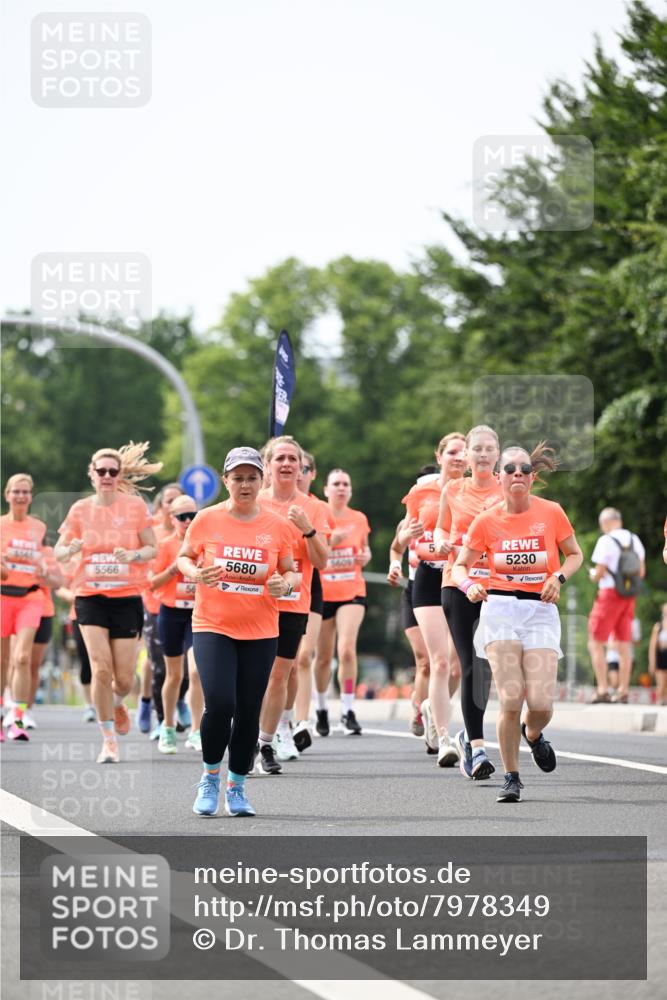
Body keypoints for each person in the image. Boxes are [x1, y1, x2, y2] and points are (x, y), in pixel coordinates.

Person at [452, 443, 582, 803]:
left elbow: (575, 554)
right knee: (511, 696)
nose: (518, 474)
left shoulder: (552, 512)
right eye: (510, 469)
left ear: (532, 476)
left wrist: (558, 577)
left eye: (525, 469)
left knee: (540, 703)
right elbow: (460, 564)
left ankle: (534, 734)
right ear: (500, 478)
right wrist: (469, 585)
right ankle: (512, 777)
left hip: (540, 611)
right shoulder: (486, 520)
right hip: (501, 610)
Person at [176, 446, 296, 818]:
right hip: (213, 625)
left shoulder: (278, 526)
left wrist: (284, 584)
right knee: (221, 704)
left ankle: (237, 786)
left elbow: (291, 571)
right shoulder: (207, 519)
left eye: (252, 477)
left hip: (260, 629)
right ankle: (211, 776)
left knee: (248, 711)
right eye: (238, 477)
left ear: (262, 481)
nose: (245, 484)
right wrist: (195, 574)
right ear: (226, 481)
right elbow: (184, 557)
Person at [55, 442, 160, 764]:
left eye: (113, 471)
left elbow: (152, 548)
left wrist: (133, 555)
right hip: (90, 596)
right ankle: (109, 739)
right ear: (92, 474)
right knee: (100, 670)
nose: (107, 476)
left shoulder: (134, 507)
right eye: (101, 471)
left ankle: (117, 702)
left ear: (119, 475)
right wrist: (70, 549)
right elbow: (58, 551)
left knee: (124, 679)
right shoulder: (80, 510)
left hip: (126, 597)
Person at [255, 437, 330, 773]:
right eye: (280, 458)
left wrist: (308, 530)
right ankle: (250, 732)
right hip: (252, 602)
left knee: (278, 675)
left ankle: (265, 742)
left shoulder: (315, 507)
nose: (286, 464)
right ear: (267, 466)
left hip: (293, 602)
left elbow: (322, 561)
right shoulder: (253, 501)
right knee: (253, 676)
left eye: (293, 459)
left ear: (301, 467)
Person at [435, 425, 503, 780]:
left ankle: (466, 736)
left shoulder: (507, 489)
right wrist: (443, 542)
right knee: (472, 663)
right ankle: (477, 749)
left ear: (497, 454)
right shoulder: (453, 488)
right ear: (468, 455)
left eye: (488, 449)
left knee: (490, 668)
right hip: (458, 584)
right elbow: (440, 529)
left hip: (499, 588)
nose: (480, 455)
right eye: (476, 448)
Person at [401, 433, 466, 766]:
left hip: (461, 577)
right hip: (427, 576)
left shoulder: (476, 492)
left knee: (458, 667)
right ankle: (444, 738)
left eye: (464, 452)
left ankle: (430, 705)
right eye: (452, 451)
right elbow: (404, 535)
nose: (459, 457)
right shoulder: (420, 492)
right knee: (438, 661)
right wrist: (407, 539)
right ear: (439, 456)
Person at [314, 469, 371, 736]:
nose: (340, 488)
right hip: (323, 593)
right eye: (335, 484)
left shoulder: (359, 518)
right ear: (326, 489)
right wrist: (328, 540)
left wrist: (365, 557)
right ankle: (322, 708)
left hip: (352, 590)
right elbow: (310, 549)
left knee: (347, 649)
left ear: (350, 490)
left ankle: (348, 710)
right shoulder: (318, 514)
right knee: (323, 657)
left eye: (345, 484)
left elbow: (365, 548)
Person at [149, 494, 203, 754]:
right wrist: (173, 569)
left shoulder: (205, 544)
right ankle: (168, 727)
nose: (188, 521)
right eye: (182, 517)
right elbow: (150, 584)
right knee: (174, 674)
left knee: (196, 672)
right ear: (172, 519)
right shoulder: (164, 545)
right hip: (170, 613)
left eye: (192, 515)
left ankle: (196, 730)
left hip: (198, 615)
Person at [387, 465, 439, 737]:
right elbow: (395, 549)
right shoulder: (407, 523)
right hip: (414, 592)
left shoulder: (452, 519)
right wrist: (394, 566)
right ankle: (419, 709)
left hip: (442, 589)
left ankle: (434, 710)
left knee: (441, 661)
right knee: (424, 659)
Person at [0, 474, 48, 741]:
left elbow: (51, 572)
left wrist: (45, 569)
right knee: (1, 660)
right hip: (2, 597)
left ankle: (17, 718)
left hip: (30, 597)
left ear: (31, 496)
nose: (20, 496)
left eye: (25, 492)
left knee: (22, 658)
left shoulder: (39, 528)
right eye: (16, 491)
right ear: (7, 495)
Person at [291, 450, 330, 752]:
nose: (299, 472)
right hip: (275, 586)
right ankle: (280, 718)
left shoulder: (317, 507)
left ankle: (301, 721)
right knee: (282, 662)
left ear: (312, 473)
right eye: (295, 466)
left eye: (305, 468)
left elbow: (322, 558)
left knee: (304, 656)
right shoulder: (265, 502)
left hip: (309, 585)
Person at [142, 482, 187, 737]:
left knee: (188, 668)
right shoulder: (155, 533)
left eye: (178, 499)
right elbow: (148, 575)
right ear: (163, 506)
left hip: (188, 607)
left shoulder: (196, 532)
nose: (173, 503)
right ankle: (158, 715)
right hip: (156, 604)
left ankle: (179, 702)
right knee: (160, 665)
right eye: (169, 500)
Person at [587, 507, 645, 704]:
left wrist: (593, 574)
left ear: (605, 523)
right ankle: (623, 690)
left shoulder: (606, 540)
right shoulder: (635, 539)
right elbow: (641, 572)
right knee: (624, 643)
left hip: (609, 595)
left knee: (595, 641)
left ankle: (603, 689)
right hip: (629, 596)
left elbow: (600, 572)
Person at [648, 604, 667, 706]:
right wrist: (652, 662)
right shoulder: (658, 627)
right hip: (661, 656)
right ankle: (659, 701)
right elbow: (653, 646)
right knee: (661, 682)